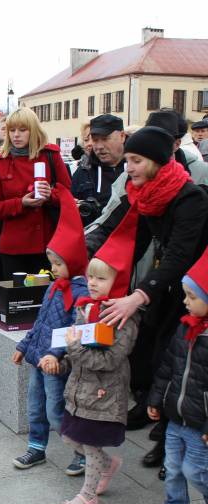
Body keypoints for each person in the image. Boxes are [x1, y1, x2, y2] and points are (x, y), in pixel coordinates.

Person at [96, 128, 208, 463]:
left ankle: (169, 443)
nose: (127, 167)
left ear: (159, 162)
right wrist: (85, 261)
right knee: (146, 350)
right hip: (165, 283)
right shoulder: (143, 194)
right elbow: (121, 235)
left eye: (136, 160)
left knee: (177, 361)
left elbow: (179, 255)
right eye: (127, 159)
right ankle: (149, 408)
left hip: (195, 290)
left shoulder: (191, 198)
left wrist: (138, 296)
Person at [59, 216, 140, 504]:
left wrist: (73, 347)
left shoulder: (123, 319)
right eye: (90, 276)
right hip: (80, 390)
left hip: (104, 394)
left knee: (90, 444)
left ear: (117, 282)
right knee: (69, 436)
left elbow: (109, 360)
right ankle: (108, 465)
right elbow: (79, 350)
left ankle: (87, 495)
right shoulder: (87, 309)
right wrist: (62, 357)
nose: (92, 283)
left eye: (101, 278)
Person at [12, 186, 89, 474]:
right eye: (52, 263)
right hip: (39, 360)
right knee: (35, 406)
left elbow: (74, 329)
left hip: (57, 364)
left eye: (58, 263)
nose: (53, 268)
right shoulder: (55, 288)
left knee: (57, 411)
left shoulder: (80, 293)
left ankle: (81, 451)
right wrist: (24, 346)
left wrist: (56, 355)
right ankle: (36, 447)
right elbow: (42, 320)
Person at [138, 247, 208, 504]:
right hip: (175, 418)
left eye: (192, 297)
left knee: (196, 470)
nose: (185, 302)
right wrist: (155, 400)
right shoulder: (184, 329)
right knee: (174, 468)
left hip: (199, 423)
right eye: (185, 295)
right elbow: (167, 367)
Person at [0, 107, 71, 279]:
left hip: (47, 245)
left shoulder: (50, 155)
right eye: (12, 130)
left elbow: (67, 195)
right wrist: (20, 203)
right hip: (14, 247)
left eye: (22, 130)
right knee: (17, 302)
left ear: (33, 131)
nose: (16, 135)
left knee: (43, 300)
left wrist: (50, 196)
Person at [71, 115, 126, 224]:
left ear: (122, 136)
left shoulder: (136, 169)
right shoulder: (83, 172)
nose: (99, 146)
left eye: (105, 139)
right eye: (95, 140)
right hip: (92, 237)